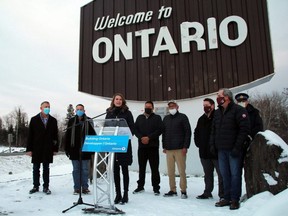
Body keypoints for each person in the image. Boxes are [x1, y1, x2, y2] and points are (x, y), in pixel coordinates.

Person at [210, 88, 250, 210]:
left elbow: (244, 130)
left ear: (226, 97)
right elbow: (214, 130)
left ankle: (234, 199)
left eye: (219, 95)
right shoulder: (217, 113)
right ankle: (226, 198)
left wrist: (237, 147)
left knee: (235, 174)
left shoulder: (238, 110)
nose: (217, 97)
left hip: (234, 150)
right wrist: (213, 145)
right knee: (224, 175)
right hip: (221, 149)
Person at [105, 93, 135, 204]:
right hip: (113, 144)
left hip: (123, 143)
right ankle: (118, 194)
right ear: (113, 101)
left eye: (120, 99)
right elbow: (106, 126)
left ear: (123, 101)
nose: (118, 101)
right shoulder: (109, 112)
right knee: (115, 170)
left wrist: (126, 133)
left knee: (124, 170)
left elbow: (132, 127)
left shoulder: (127, 113)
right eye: (116, 99)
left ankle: (125, 194)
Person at [26, 101, 59, 195]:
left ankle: (46, 187)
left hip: (48, 148)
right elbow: (30, 135)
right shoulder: (34, 119)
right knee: (36, 168)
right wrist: (29, 149)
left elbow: (55, 135)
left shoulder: (53, 120)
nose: (47, 108)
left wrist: (55, 148)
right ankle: (35, 186)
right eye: (45, 107)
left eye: (48, 107)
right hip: (37, 148)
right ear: (41, 108)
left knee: (46, 168)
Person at [194, 98, 224, 200]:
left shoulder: (218, 116)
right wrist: (198, 143)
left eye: (207, 105)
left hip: (216, 152)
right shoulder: (201, 119)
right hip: (204, 152)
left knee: (221, 174)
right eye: (203, 106)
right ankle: (207, 192)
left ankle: (222, 194)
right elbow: (196, 132)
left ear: (212, 106)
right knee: (207, 174)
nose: (205, 107)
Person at [162, 100, 192, 199]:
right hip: (169, 149)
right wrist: (164, 146)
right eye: (170, 107)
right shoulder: (166, 119)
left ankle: (183, 190)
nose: (171, 108)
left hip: (180, 149)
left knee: (181, 171)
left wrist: (185, 146)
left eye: (173, 106)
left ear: (177, 107)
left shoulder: (183, 117)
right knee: (170, 171)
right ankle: (172, 190)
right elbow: (164, 133)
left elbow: (188, 132)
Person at [64, 104, 96, 195]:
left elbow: (93, 135)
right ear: (75, 111)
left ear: (84, 110)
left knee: (85, 170)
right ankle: (77, 188)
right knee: (76, 169)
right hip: (74, 149)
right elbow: (68, 135)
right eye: (77, 109)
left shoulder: (89, 121)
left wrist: (92, 149)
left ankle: (85, 187)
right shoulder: (71, 121)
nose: (79, 111)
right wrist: (67, 149)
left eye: (81, 109)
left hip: (86, 149)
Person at [133, 101, 162, 195]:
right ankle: (140, 186)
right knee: (142, 168)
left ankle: (156, 188)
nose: (148, 108)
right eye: (146, 107)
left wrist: (149, 137)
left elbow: (159, 130)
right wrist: (141, 137)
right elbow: (135, 129)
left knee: (154, 168)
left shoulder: (157, 118)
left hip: (153, 146)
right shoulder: (139, 117)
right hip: (142, 147)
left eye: (149, 107)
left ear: (153, 108)